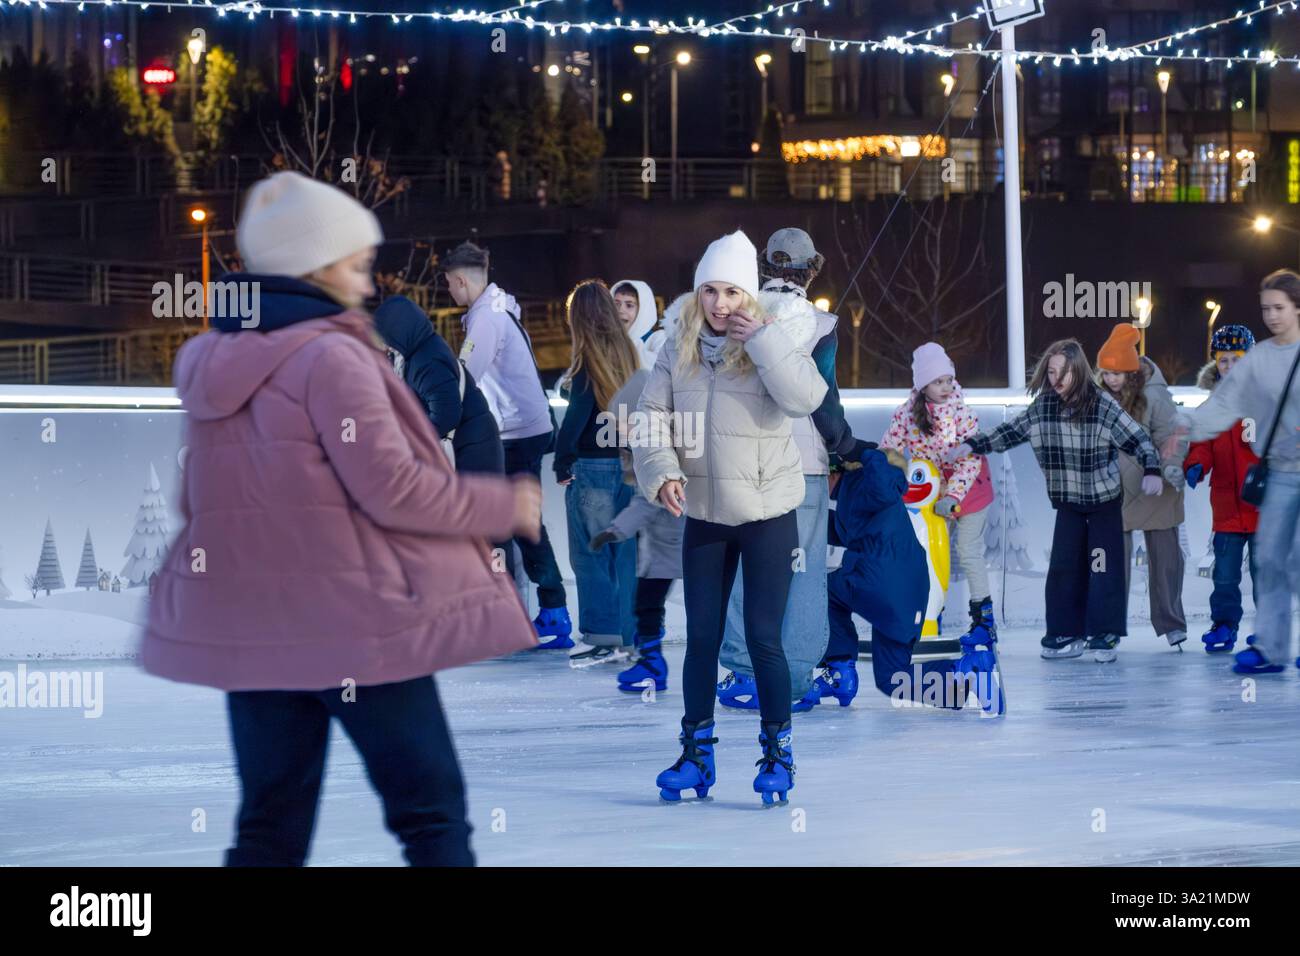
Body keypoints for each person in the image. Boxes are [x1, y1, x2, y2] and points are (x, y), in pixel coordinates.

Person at [140, 172, 541, 866]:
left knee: (269, 831)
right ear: (315, 268)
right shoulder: (331, 357)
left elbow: (195, 501)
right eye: (355, 266)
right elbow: (395, 490)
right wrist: (507, 503)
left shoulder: (213, 361)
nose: (366, 285)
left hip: (255, 632)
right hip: (352, 626)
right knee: (432, 816)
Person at [633, 230, 827, 805]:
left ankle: (777, 753)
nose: (721, 304)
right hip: (706, 516)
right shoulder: (678, 347)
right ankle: (696, 754)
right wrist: (663, 471)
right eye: (711, 292)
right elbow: (650, 417)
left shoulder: (776, 337)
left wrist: (764, 340)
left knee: (764, 640)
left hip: (767, 515)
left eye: (733, 292)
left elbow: (806, 399)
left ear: (751, 295)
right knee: (702, 641)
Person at [714, 227, 870, 714]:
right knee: (800, 570)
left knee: (743, 567)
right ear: (811, 270)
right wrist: (846, 449)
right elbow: (825, 402)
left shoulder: (733, 318)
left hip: (740, 463)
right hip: (801, 466)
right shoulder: (822, 326)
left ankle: (742, 674)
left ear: (765, 266)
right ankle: (797, 675)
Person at [952, 339, 1162, 664]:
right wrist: (973, 444)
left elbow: (1138, 438)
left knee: (1100, 565)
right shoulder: (1044, 407)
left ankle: (1103, 632)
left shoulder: (1102, 405)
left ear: (1078, 372)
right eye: (1051, 372)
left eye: (1063, 372)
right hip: (1068, 503)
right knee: (1064, 569)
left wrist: (1151, 468)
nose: (1057, 379)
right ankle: (1065, 631)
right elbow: (1010, 431)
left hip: (1102, 503)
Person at [444, 241, 572, 647]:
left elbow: (465, 378)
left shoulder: (486, 319)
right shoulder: (495, 310)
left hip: (517, 434)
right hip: (518, 430)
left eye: (449, 285)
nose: (450, 292)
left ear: (461, 280)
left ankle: (549, 613)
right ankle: (539, 611)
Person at [826, 447, 1003, 713]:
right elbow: (842, 530)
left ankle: (839, 667)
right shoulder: (864, 502)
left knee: (823, 590)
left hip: (882, 584)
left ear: (836, 473)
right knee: (892, 678)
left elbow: (879, 481)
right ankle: (967, 674)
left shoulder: (864, 485)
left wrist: (861, 451)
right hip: (907, 593)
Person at [1189, 270, 1300, 675]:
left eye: (1279, 308)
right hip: (1254, 495)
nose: (1271, 316)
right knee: (1247, 568)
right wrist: (1190, 450)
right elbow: (1212, 424)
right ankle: (1247, 636)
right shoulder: (1242, 379)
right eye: (1265, 309)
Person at [877, 341, 996, 698]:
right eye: (939, 381)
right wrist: (886, 474)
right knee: (932, 555)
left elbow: (970, 458)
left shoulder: (962, 411)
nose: (946, 387)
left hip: (970, 488)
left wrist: (954, 496)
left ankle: (983, 620)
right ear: (922, 386)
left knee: (968, 550)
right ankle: (931, 617)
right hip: (935, 492)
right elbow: (890, 449)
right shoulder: (906, 414)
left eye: (949, 379)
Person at [554, 280, 641, 665]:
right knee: (623, 556)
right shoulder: (626, 353)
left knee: (591, 554)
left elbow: (576, 415)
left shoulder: (589, 357)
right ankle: (627, 634)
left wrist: (561, 459)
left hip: (593, 467)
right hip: (626, 466)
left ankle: (600, 635)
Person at [1094, 324, 1190, 650]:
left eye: (1118, 373)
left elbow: (1170, 436)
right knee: (1110, 563)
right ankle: (1109, 625)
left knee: (1164, 560)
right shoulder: (1097, 399)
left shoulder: (1155, 396)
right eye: (1106, 373)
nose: (1111, 380)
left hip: (1155, 486)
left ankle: (1172, 623)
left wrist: (1171, 467)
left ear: (1131, 369)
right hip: (1114, 488)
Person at [1183, 324, 1260, 654]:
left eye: (1237, 359)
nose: (1230, 366)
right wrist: (1195, 465)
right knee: (1225, 576)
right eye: (1223, 360)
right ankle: (1225, 624)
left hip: (1262, 504)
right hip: (1227, 508)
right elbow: (1201, 445)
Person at [374, 295, 503, 475]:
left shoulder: (428, 362)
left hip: (472, 451)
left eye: (382, 336)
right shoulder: (408, 355)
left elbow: (446, 414)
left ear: (397, 332)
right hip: (461, 448)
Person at [611, 280, 666, 369]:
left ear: (643, 310)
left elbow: (658, 368)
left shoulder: (659, 338)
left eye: (629, 305)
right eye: (616, 304)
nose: (620, 310)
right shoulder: (606, 340)